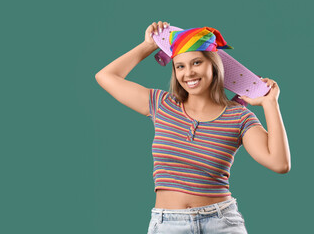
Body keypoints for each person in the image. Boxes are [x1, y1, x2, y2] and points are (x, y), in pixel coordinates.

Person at [95, 21, 291, 234]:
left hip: (221, 222)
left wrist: (271, 104)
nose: (188, 73)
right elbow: (106, 77)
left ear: (213, 65)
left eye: (196, 62)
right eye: (180, 66)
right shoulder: (162, 104)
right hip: (168, 224)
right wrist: (149, 44)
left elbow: (279, 163)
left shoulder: (238, 117)